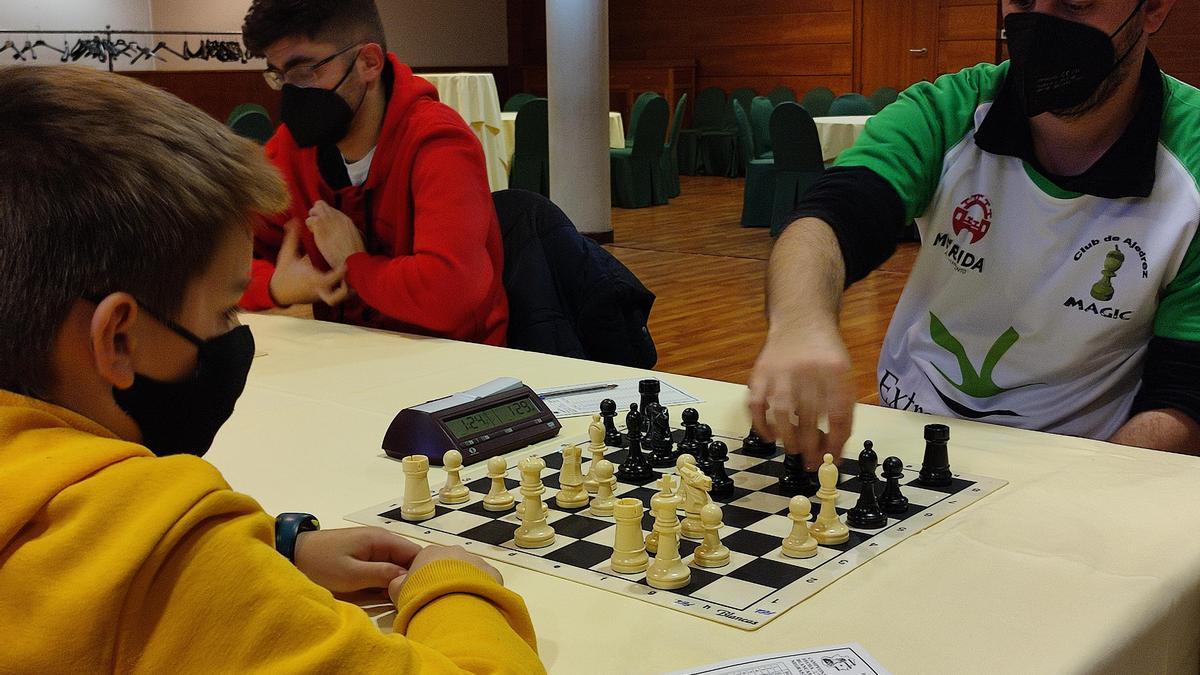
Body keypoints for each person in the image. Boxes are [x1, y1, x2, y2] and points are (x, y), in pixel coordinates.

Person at [0, 65, 543, 672]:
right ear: (118, 339)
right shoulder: (158, 550)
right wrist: (455, 587)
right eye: (226, 309)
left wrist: (280, 546)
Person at [749, 0, 1198, 467]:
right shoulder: (949, 110)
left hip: (1081, 459)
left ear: (1154, 9)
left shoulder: (1193, 159)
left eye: (1075, 2)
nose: (1040, 22)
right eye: (1022, 1)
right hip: (914, 435)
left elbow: (1185, 400)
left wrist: (1078, 493)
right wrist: (800, 325)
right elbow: (829, 219)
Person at [238, 0, 508, 346]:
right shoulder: (292, 149)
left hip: (457, 366)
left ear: (369, 62)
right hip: (349, 357)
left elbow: (449, 296)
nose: (292, 90)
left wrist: (353, 262)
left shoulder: (439, 142)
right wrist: (275, 285)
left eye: (304, 71)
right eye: (279, 75)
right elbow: (219, 263)